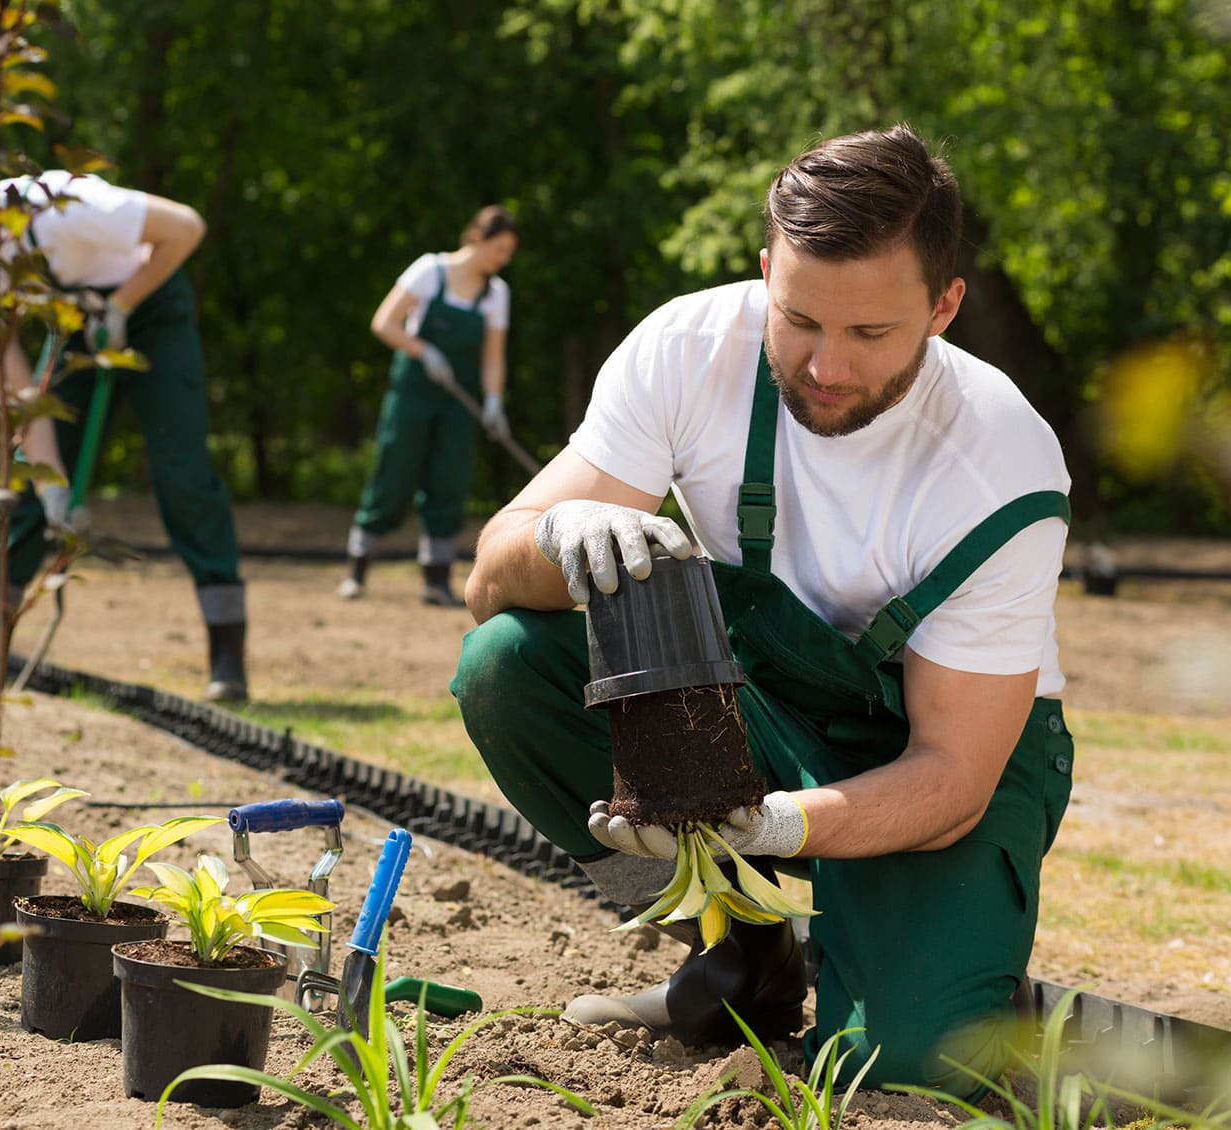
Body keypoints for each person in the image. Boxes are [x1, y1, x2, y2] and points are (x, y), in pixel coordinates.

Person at [450, 125, 1074, 1097]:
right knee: (503, 663)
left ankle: (940, 964)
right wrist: (558, 533)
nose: (824, 365)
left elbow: (951, 772)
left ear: (942, 306)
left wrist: (778, 826)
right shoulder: (688, 349)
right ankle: (733, 950)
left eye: (869, 333)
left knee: (901, 1066)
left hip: (946, 762)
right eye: (798, 320)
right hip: (763, 705)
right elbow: (485, 579)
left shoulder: (997, 463)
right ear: (763, 273)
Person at [0, 171, 249, 702]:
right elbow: (22, 394)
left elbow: (186, 227)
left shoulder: (61, 208)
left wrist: (121, 305)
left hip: (153, 307)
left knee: (180, 469)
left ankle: (227, 658)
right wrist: (54, 494)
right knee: (28, 481)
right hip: (78, 325)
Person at [338, 206, 519, 606]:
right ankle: (357, 570)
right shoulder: (429, 271)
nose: (502, 259)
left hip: (457, 401)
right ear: (476, 238)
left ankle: (436, 582)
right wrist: (424, 351)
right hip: (413, 393)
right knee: (394, 473)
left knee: (448, 480)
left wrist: (492, 401)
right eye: (499, 248)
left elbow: (492, 357)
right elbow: (384, 322)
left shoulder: (495, 293)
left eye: (508, 252)